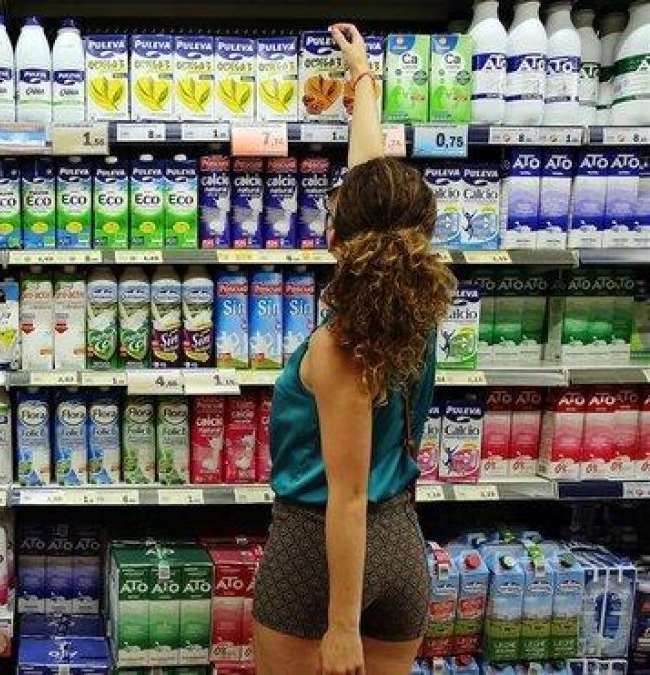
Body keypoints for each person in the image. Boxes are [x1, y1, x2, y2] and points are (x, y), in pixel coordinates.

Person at [252, 23, 458, 675]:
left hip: (320, 550)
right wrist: (362, 78)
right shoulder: (413, 308)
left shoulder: (342, 344)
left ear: (341, 236)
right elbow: (376, 185)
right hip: (401, 541)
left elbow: (346, 495)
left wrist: (342, 626)